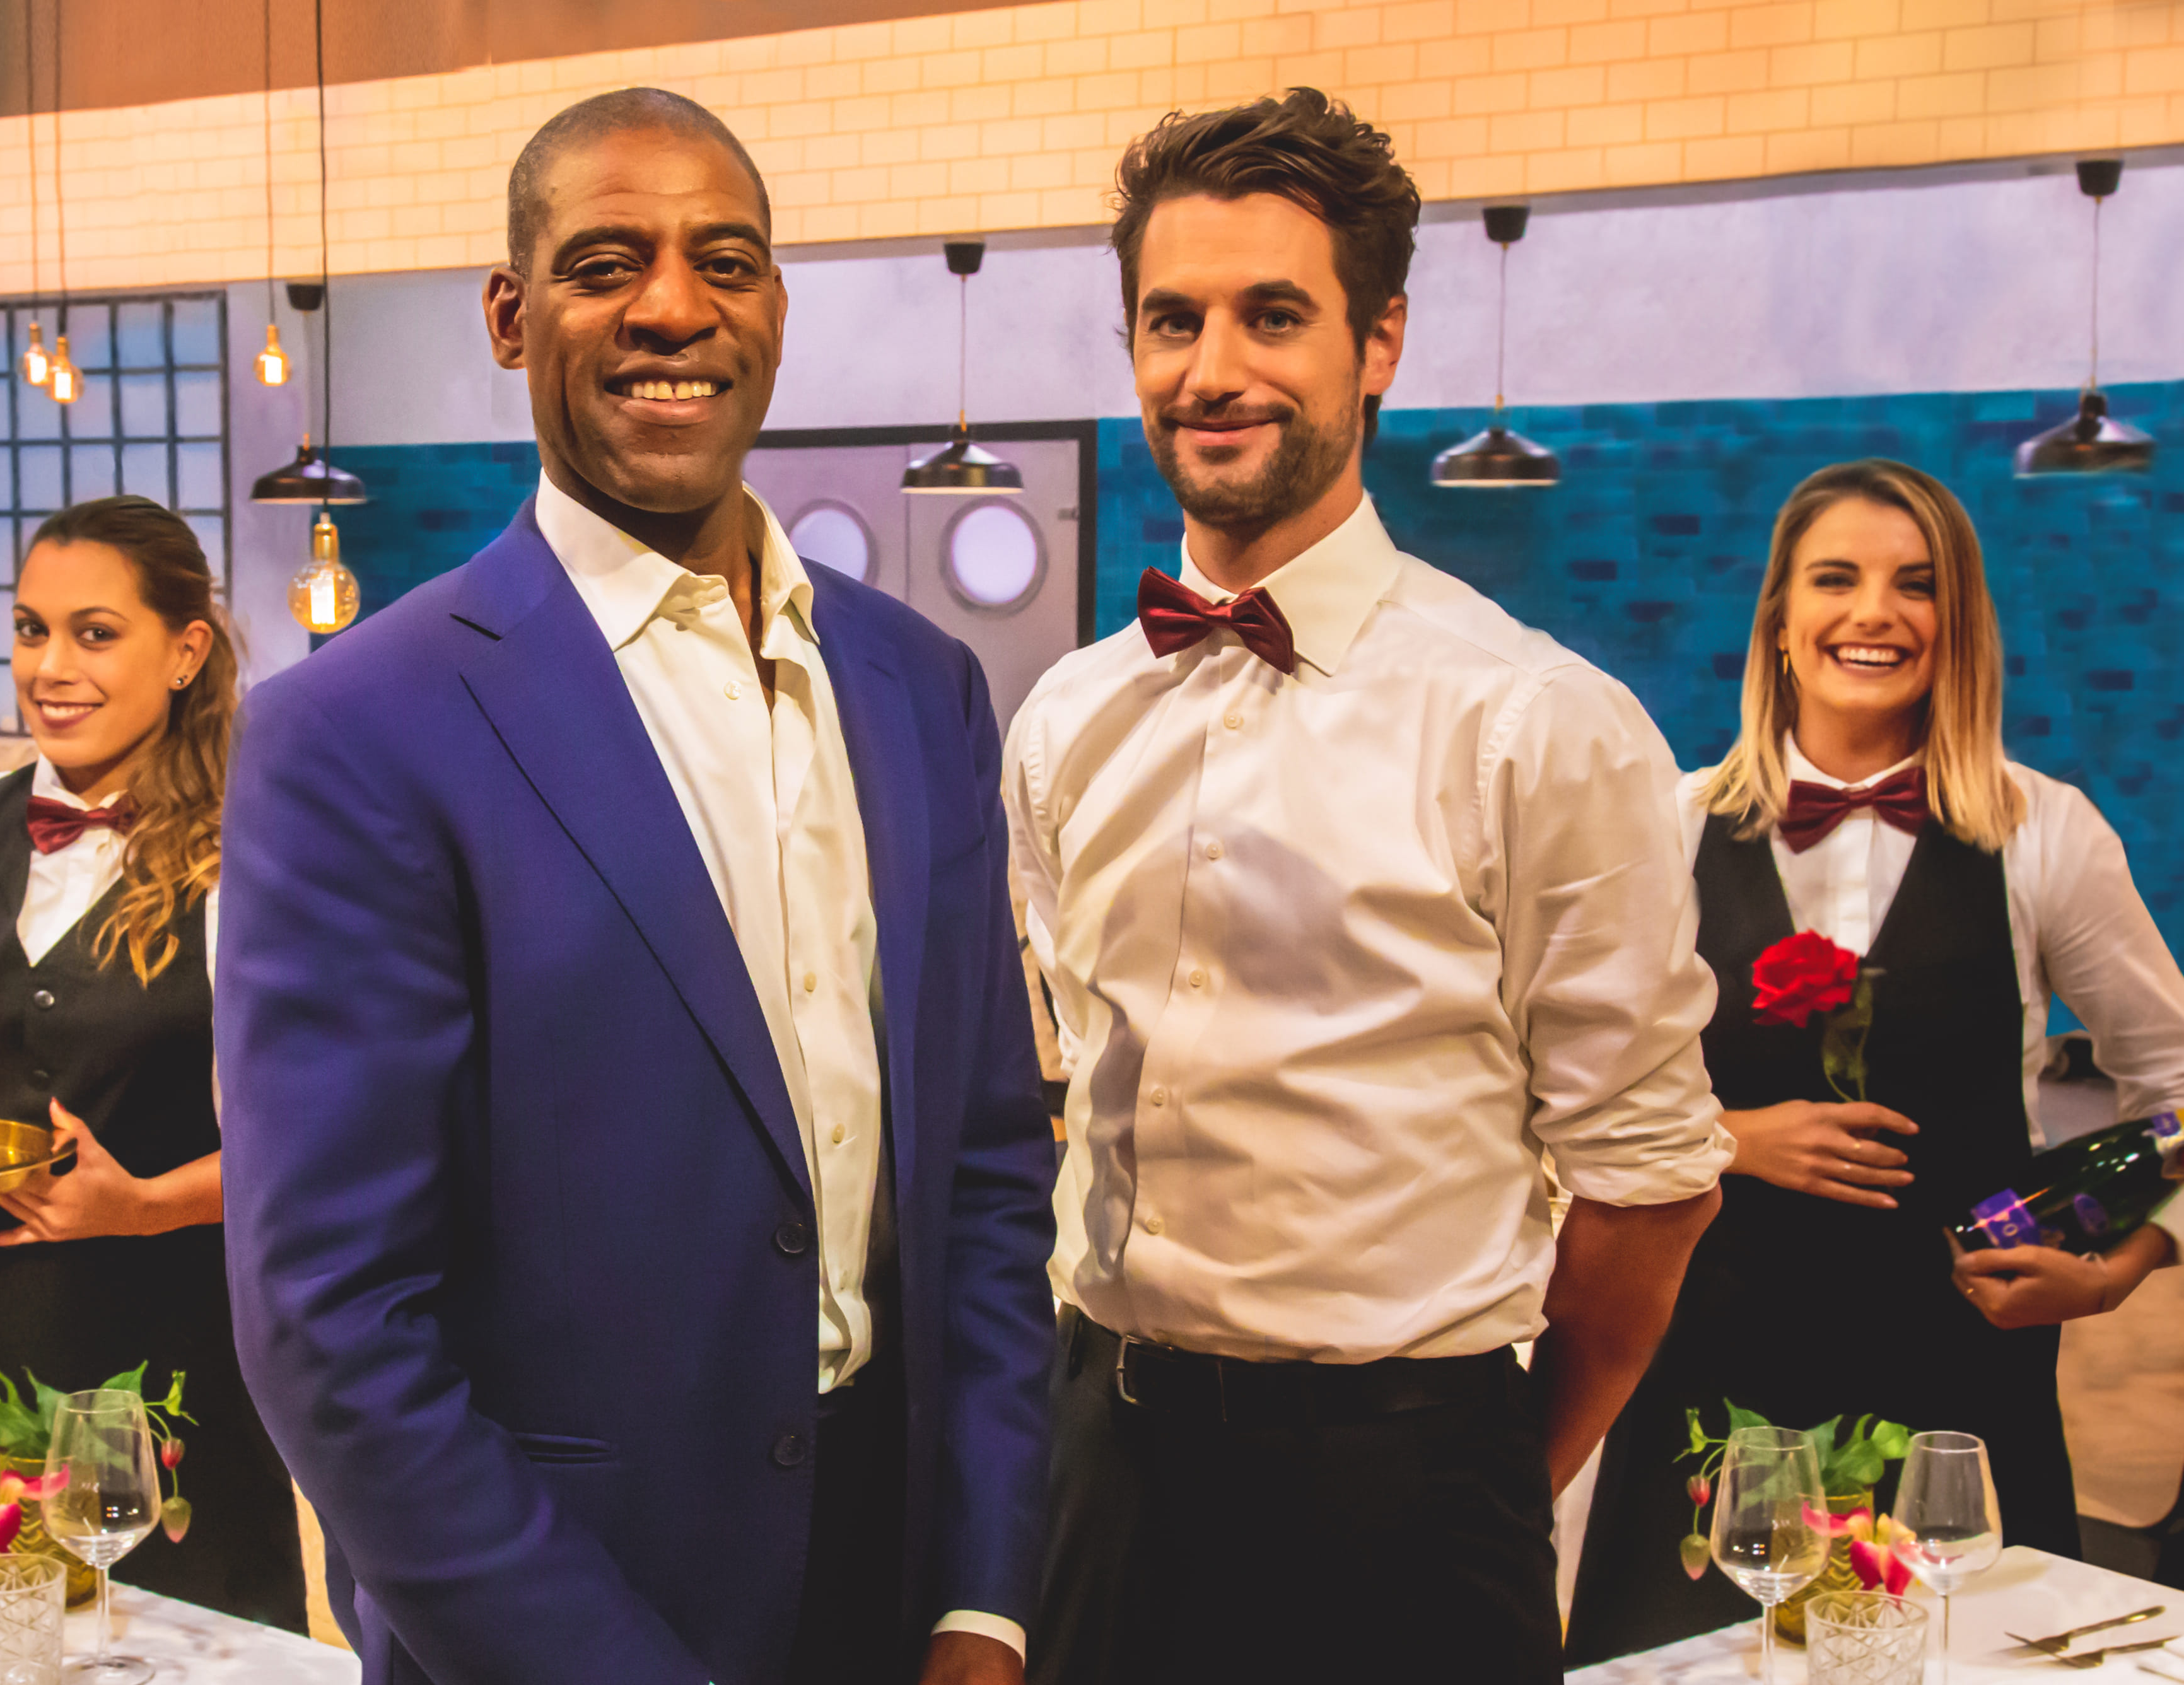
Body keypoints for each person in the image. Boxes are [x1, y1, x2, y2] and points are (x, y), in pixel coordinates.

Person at [214, 89, 1054, 1685]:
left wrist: (984, 1594)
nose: (673, 306)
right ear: (509, 315)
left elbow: (993, 1175)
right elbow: (332, 1318)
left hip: (900, 1588)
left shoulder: (920, 683)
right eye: (607, 263)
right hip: (564, 1604)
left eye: (723, 261)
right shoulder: (360, 730)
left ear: (776, 309)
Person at [1004, 89, 1729, 1685]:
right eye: (1172, 320)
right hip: (1101, 1464)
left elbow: (1652, 1187)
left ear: (1379, 339)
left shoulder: (1536, 722)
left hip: (1409, 1490)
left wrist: (1485, 1473)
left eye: (1274, 315)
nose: (1213, 370)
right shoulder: (1063, 719)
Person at [1563, 459, 2184, 1663]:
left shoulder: (2046, 833)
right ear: (1780, 623)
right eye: (1836, 579)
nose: (1875, 613)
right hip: (1712, 1379)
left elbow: (2176, 1094)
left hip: (1958, 1390)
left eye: (1917, 584)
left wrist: (2119, 1271)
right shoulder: (1666, 828)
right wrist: (1730, 1138)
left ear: (1959, 625)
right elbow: (1564, 1092)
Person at [0, 494, 307, 1631]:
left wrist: (141, 1206)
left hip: (153, 1361)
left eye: (95, 634)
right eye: (29, 630)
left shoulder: (264, 850)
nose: (50, 668)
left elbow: (313, 1140)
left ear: (185, 651)